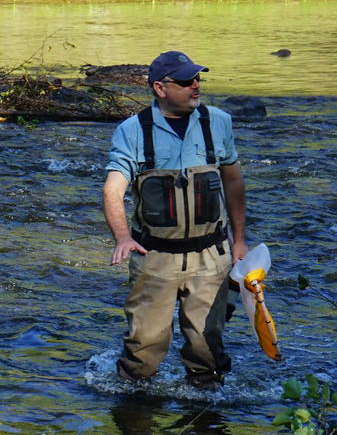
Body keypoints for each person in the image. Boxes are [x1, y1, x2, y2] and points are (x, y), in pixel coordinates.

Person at [101, 50, 247, 388]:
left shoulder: (219, 122)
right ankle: (135, 413)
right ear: (160, 88)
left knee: (208, 347)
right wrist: (123, 238)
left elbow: (234, 181)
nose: (195, 85)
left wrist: (239, 241)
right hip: (154, 257)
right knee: (145, 348)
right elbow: (112, 190)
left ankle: (207, 417)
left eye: (197, 78)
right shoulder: (132, 131)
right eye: (185, 81)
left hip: (212, 256)